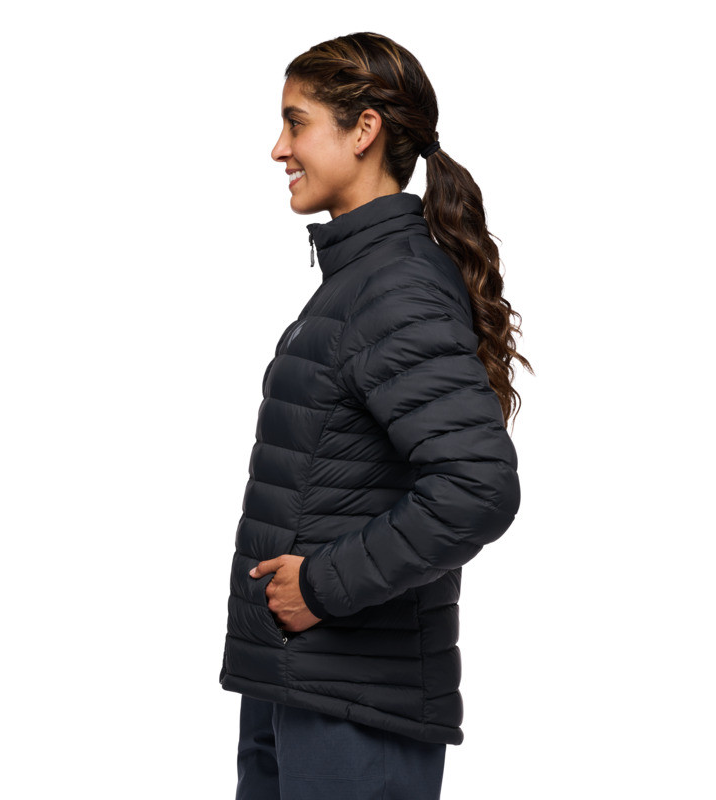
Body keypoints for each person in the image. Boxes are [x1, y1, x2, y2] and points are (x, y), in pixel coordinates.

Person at [219, 31, 532, 800]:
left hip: (355, 708)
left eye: (296, 123)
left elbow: (478, 487)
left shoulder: (395, 287)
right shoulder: (359, 281)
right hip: (300, 685)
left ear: (364, 130)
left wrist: (322, 586)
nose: (278, 149)